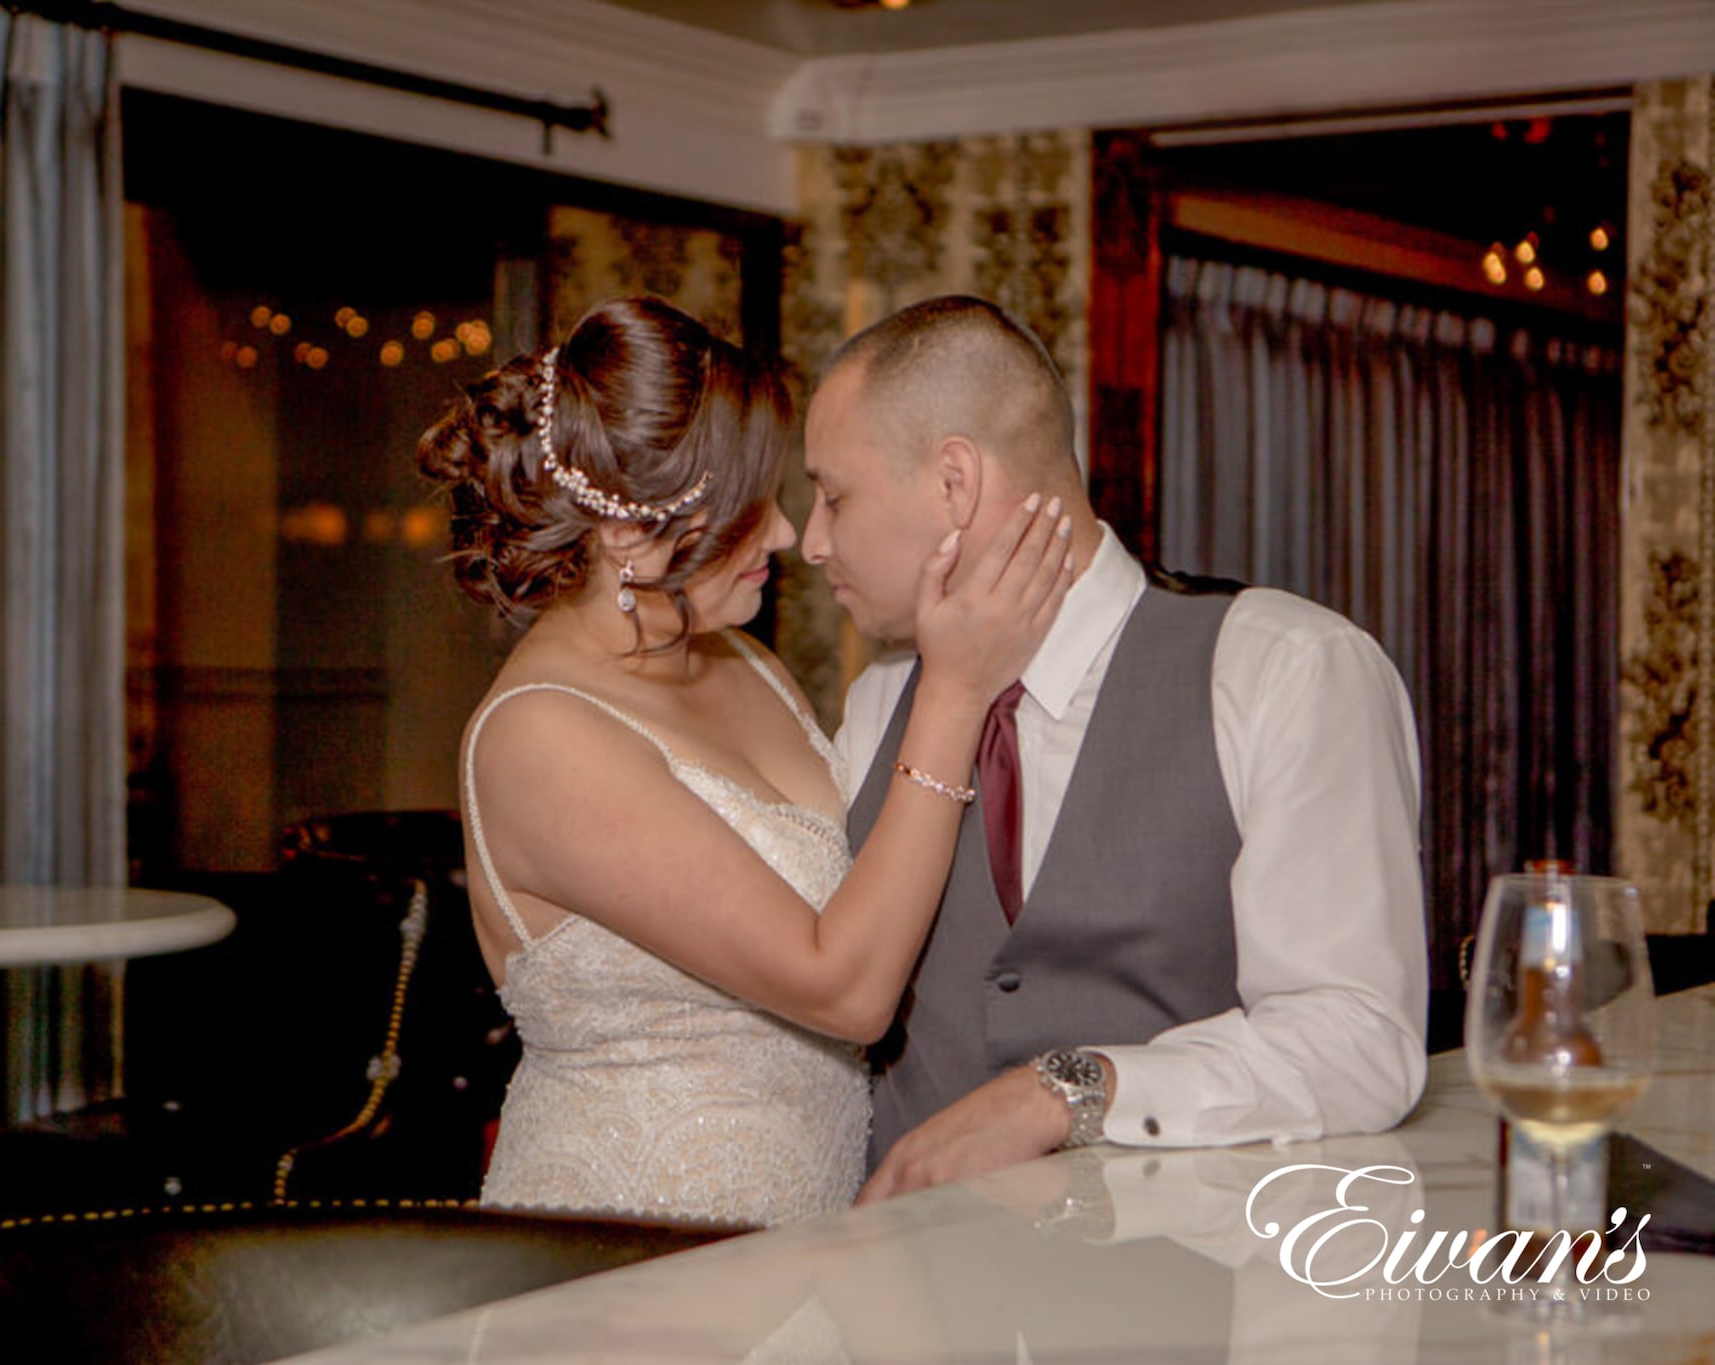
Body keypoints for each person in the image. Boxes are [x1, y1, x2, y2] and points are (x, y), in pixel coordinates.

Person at [418, 297, 1074, 1227]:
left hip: (806, 1248)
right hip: (627, 1257)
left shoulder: (741, 660)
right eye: (743, 509)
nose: (782, 536)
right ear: (624, 536)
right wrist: (954, 693)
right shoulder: (540, 736)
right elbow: (844, 991)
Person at [796, 295, 1429, 1202]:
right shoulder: (878, 703)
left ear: (954, 483)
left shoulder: (1285, 670)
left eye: (834, 494)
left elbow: (1360, 1040)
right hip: (908, 1311)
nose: (814, 542)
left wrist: (1063, 1093)